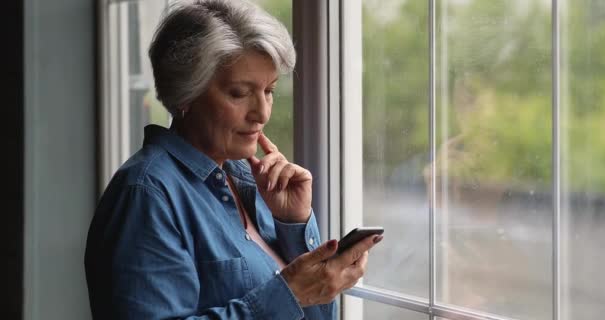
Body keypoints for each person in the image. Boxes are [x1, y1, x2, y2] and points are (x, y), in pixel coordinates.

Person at [84, 0, 383, 319]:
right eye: (240, 93)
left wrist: (293, 225)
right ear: (186, 93)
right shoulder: (146, 195)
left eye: (269, 90)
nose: (262, 113)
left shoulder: (251, 182)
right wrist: (289, 294)